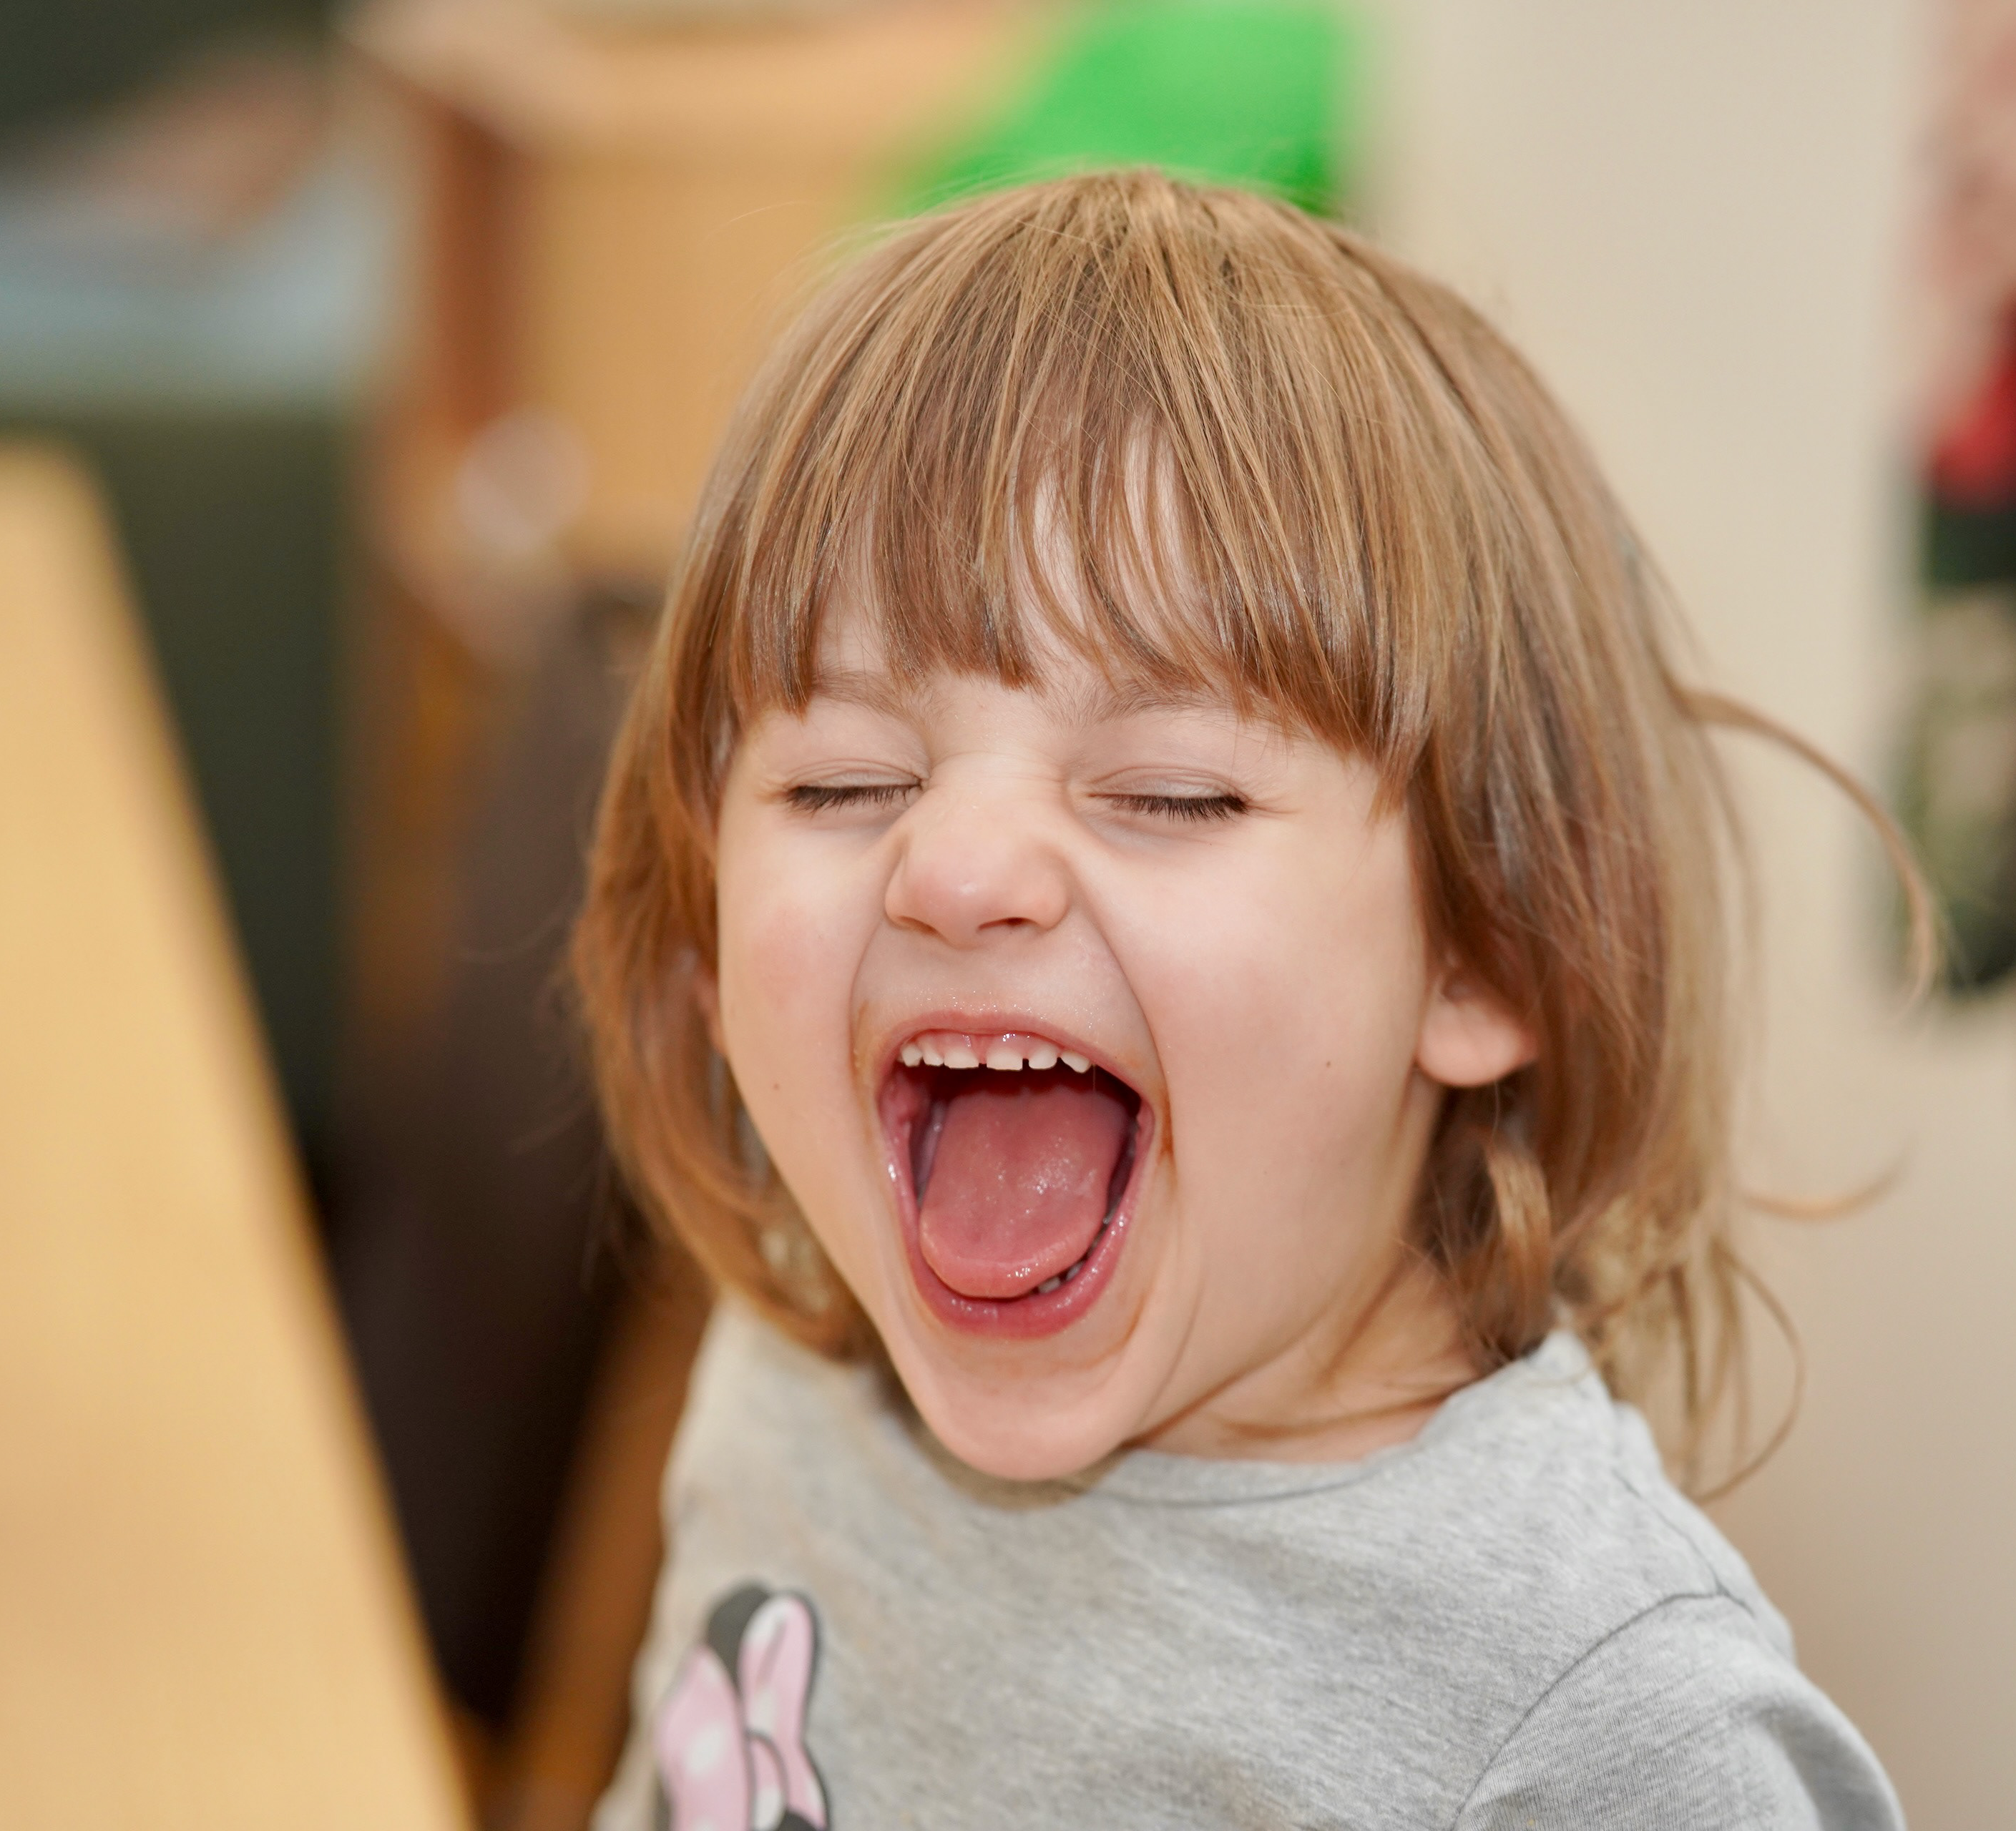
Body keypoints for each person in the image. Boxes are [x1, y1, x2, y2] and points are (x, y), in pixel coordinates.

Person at [574, 169, 1906, 1829]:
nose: (957, 864)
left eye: (1172, 791)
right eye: (842, 783)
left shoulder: (1606, 1737)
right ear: (708, 941)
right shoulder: (788, 1378)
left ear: (1490, 948)